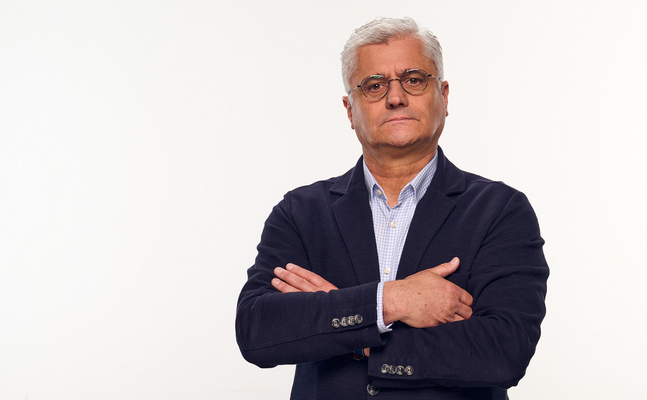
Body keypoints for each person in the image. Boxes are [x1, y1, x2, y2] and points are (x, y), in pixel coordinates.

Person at [236, 16, 548, 399]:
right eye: (374, 85)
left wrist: (346, 326)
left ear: (444, 96)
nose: (395, 97)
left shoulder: (500, 211)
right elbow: (257, 330)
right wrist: (391, 301)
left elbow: (503, 352)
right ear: (350, 110)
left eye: (414, 80)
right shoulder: (300, 213)